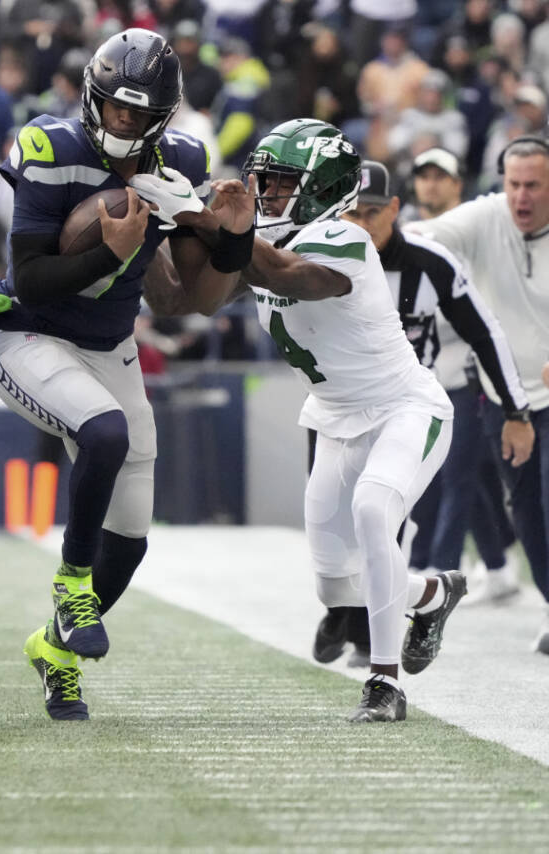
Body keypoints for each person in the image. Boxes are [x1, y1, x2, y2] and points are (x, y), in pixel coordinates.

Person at [0, 29, 255, 721]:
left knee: (134, 540)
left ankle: (55, 654)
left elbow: (191, 301)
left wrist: (232, 237)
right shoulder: (49, 145)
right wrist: (108, 253)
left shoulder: (180, 158)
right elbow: (31, 276)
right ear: (92, 97)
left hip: (110, 346)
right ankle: (70, 582)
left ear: (165, 117)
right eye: (116, 107)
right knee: (105, 433)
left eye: (141, 113)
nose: (125, 122)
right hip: (31, 331)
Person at [232, 120, 467, 722]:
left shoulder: (346, 238)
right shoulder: (260, 240)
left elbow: (285, 275)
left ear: (319, 188)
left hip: (405, 409)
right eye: (264, 182)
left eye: (281, 184)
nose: (266, 195)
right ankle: (432, 593)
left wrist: (215, 228)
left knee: (373, 512)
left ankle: (384, 684)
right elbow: (187, 297)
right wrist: (165, 227)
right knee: (337, 588)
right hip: (336, 421)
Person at [306, 160, 532, 668]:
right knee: (328, 536)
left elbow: (483, 330)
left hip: (400, 409)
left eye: (370, 212)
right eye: (350, 213)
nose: (359, 226)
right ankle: (348, 605)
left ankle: (373, 643)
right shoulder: (318, 253)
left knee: (381, 521)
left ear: (394, 209)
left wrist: (515, 406)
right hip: (333, 407)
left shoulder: (430, 262)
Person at [411, 136, 549, 653]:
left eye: (534, 185)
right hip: (502, 396)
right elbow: (425, 234)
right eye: (514, 184)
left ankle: (447, 567)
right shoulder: (486, 215)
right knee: (526, 513)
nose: (522, 196)